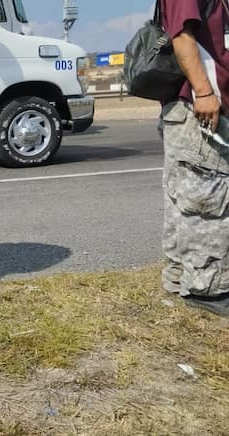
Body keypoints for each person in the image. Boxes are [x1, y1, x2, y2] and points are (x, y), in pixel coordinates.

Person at [160, 0, 229, 317]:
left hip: (196, 107)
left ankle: (178, 278)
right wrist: (203, 91)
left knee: (185, 200)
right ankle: (208, 291)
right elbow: (181, 35)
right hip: (198, 106)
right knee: (207, 202)